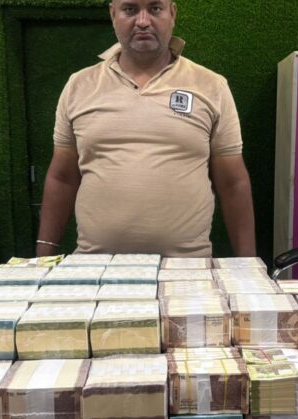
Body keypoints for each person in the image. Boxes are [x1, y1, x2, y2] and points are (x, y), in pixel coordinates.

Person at [35, 0, 255, 258]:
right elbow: (62, 178)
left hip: (187, 268)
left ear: (172, 13)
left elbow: (232, 183)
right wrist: (44, 255)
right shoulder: (79, 85)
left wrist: (248, 264)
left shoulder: (211, 86)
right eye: (130, 9)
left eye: (155, 9)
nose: (142, 21)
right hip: (96, 266)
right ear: (113, 14)